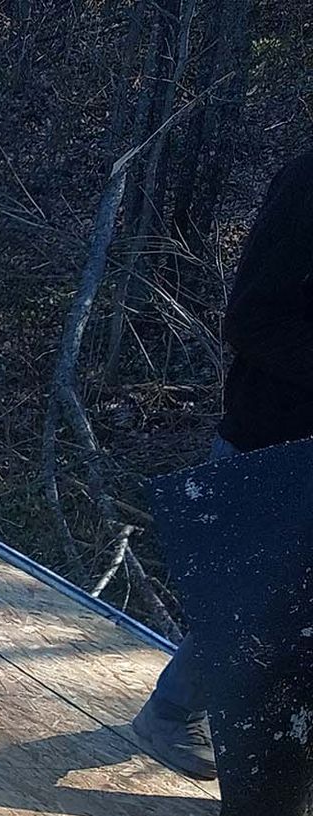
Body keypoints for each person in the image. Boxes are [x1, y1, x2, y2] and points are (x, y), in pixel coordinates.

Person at [133, 147, 313, 780]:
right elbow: (251, 319)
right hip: (278, 438)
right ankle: (172, 713)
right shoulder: (308, 180)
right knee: (255, 600)